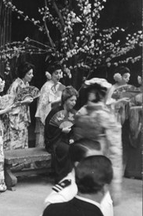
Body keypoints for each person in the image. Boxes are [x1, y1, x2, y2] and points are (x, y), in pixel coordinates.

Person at [25, 139, 115, 216]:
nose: (100, 165)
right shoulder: (63, 194)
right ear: (78, 165)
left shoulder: (99, 181)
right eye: (93, 162)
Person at [73, 77, 123, 205]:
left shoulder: (81, 113)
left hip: (80, 160)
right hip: (98, 159)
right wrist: (115, 182)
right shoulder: (106, 116)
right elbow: (115, 149)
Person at [44, 86, 78, 182]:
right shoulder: (56, 111)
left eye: (75, 100)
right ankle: (61, 178)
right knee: (66, 149)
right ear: (65, 100)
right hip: (54, 141)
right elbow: (48, 129)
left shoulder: (72, 113)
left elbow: (74, 128)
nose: (74, 103)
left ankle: (72, 176)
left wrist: (72, 137)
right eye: (71, 100)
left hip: (66, 139)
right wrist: (61, 131)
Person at [5, 62, 36, 150]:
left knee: (23, 139)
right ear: (23, 74)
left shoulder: (26, 84)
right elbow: (9, 103)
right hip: (15, 117)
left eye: (32, 73)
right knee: (15, 140)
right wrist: (23, 102)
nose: (32, 76)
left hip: (23, 115)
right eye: (29, 74)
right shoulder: (16, 85)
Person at [35, 64, 65, 147]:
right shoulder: (46, 86)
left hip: (58, 115)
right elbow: (43, 104)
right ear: (50, 75)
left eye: (60, 73)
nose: (58, 75)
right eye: (56, 73)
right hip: (48, 114)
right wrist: (60, 100)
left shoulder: (60, 85)